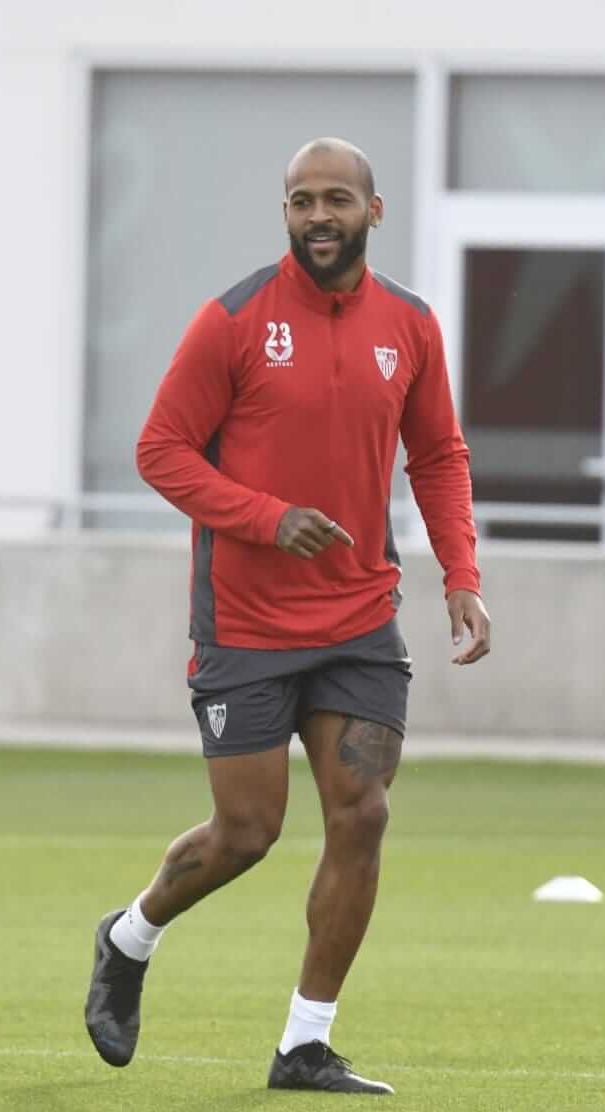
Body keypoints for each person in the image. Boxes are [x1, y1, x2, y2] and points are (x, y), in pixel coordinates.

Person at [85, 137, 491, 1096]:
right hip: (246, 625)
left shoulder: (410, 325)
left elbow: (439, 456)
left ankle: (304, 1044)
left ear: (373, 211)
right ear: (285, 214)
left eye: (336, 199)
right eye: (301, 201)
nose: (318, 216)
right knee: (247, 832)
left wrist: (461, 575)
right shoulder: (233, 321)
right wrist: (268, 519)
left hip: (359, 622)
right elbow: (161, 450)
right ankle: (129, 937)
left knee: (364, 812)